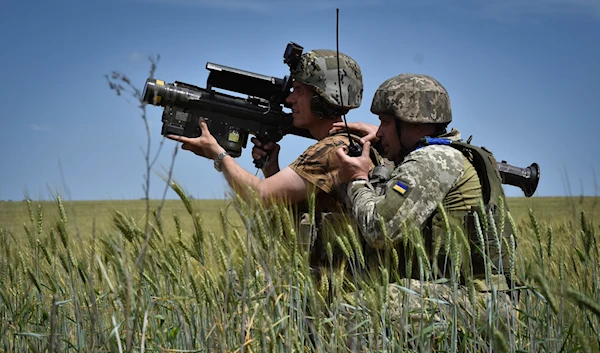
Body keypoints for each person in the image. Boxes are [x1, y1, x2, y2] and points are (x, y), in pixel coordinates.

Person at [333, 73, 518, 349]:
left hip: (476, 303)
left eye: (385, 122)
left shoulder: (432, 159)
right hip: (482, 298)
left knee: (353, 310)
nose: (379, 131)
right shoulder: (448, 152)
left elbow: (379, 230)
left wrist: (357, 179)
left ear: (415, 124)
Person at [166, 48, 382, 257]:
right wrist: (271, 168)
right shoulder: (345, 144)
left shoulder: (332, 149)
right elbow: (289, 208)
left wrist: (218, 155)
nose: (289, 100)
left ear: (321, 99)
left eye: (299, 91)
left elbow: (260, 196)